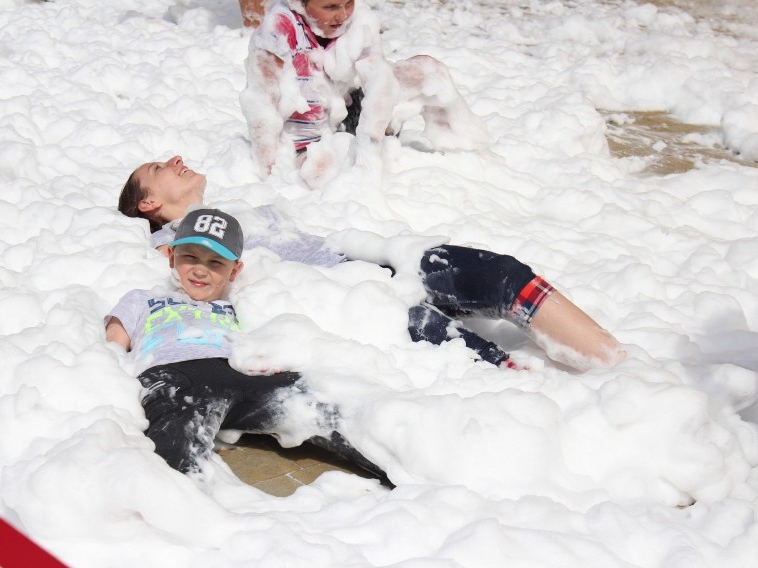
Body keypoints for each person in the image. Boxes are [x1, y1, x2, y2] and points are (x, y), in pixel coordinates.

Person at [119, 156, 627, 371]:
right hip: (351, 303)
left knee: (505, 275)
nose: (177, 160)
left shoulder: (240, 210)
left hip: (378, 265)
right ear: (148, 204)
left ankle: (622, 372)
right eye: (161, 168)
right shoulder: (172, 245)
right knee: (484, 362)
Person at [106, 207, 386, 478]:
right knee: (174, 454)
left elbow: (270, 335)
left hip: (239, 371)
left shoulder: (238, 304)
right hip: (176, 373)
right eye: (190, 257)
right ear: (171, 257)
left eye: (215, 262)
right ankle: (169, 514)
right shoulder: (143, 298)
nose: (200, 270)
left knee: (330, 411)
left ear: (234, 271)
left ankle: (406, 465)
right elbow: (110, 353)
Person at [240, 0, 489, 185]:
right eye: (331, 7)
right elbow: (262, 109)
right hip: (307, 141)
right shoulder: (278, 32)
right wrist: (270, 175)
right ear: (300, 5)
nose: (343, 15)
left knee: (428, 71)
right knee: (320, 174)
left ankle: (470, 151)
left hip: (344, 109)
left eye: (348, 3)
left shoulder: (358, 21)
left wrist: (368, 154)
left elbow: (380, 84)